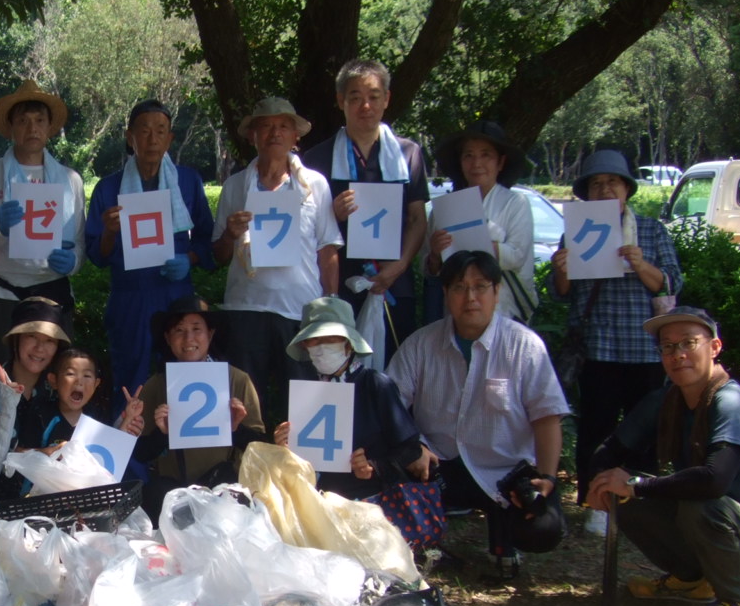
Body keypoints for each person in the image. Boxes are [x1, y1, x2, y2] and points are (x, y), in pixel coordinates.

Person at [588, 308, 740, 606]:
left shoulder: (731, 401)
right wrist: (601, 480)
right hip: (717, 528)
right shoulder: (666, 400)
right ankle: (691, 580)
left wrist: (636, 484)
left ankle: (738, 602)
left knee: (699, 502)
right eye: (668, 346)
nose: (678, 354)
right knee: (623, 492)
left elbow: (714, 480)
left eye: (688, 343)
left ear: (714, 348)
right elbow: (609, 449)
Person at [388, 251, 568, 578]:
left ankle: (505, 535)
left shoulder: (524, 345)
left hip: (507, 468)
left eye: (480, 286)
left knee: (543, 528)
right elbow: (390, 401)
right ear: (445, 294)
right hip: (440, 461)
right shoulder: (422, 343)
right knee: (383, 465)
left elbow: (547, 417)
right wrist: (412, 446)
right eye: (459, 287)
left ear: (497, 292)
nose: (470, 297)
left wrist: (548, 478)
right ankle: (424, 541)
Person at [552, 149, 683, 527]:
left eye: (612, 182)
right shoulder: (575, 230)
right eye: (596, 183)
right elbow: (561, 292)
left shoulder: (652, 230)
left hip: (644, 346)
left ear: (626, 188)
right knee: (597, 426)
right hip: (598, 347)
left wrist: (641, 264)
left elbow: (673, 283)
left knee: (645, 429)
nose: (604, 188)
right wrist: (561, 269)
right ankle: (596, 502)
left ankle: (640, 499)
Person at [212, 97, 340, 426]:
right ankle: (246, 471)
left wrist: (331, 308)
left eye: (283, 126)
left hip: (300, 312)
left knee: (301, 408)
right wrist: (229, 233)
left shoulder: (315, 185)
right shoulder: (235, 185)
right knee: (245, 409)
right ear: (252, 134)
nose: (274, 133)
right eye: (266, 126)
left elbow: (328, 249)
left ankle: (298, 474)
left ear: (295, 135)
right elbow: (218, 255)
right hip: (246, 311)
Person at [84, 98, 216, 404]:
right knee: (132, 382)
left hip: (177, 295)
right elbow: (97, 257)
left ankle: (178, 451)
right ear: (130, 137)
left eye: (161, 131)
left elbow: (208, 241)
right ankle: (131, 452)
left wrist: (189, 259)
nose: (152, 139)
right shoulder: (108, 188)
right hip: (130, 298)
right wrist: (109, 232)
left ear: (170, 138)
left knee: (183, 380)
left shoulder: (188, 181)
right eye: (144, 131)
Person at [302, 59, 429, 355]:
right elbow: (306, 228)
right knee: (340, 369)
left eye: (373, 97)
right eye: (355, 98)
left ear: (387, 99)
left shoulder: (408, 154)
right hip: (340, 283)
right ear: (340, 101)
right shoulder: (318, 158)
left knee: (397, 369)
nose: (365, 106)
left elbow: (417, 219)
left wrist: (399, 266)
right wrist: (331, 214)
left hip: (394, 281)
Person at [0, 80, 85, 368]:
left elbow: (81, 242)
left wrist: (71, 262)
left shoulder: (70, 180)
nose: (31, 128)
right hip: (1, 291)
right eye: (22, 121)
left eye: (39, 121)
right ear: (11, 128)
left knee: (53, 378)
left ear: (49, 127)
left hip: (53, 290)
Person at [270, 296, 426, 503]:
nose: (321, 346)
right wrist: (282, 443)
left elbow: (411, 448)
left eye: (330, 338)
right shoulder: (303, 390)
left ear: (349, 344)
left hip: (369, 500)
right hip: (312, 499)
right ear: (305, 346)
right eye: (313, 339)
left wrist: (374, 466)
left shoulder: (375, 385)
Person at [131, 296, 267, 524]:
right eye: (179, 330)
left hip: (223, 488)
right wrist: (162, 435)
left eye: (197, 329)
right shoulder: (156, 384)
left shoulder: (237, 379)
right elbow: (142, 453)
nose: (188, 338)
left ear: (210, 334)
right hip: (174, 492)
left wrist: (235, 429)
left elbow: (260, 447)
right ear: (167, 338)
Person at [425, 121, 537, 322]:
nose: (476, 163)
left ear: (500, 162)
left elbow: (518, 256)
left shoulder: (515, 204)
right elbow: (429, 268)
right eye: (469, 155)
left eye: (486, 155)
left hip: (504, 311)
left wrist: (480, 242)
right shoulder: (443, 209)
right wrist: (434, 254)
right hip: (456, 314)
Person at [0, 297, 68, 501]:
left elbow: (80, 448)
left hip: (47, 513)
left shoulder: (59, 390)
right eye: (32, 336)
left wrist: (125, 426)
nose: (40, 348)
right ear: (16, 340)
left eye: (49, 340)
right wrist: (8, 406)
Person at [26, 347, 145, 451]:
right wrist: (46, 454)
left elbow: (110, 453)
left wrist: (129, 418)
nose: (79, 381)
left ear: (96, 384)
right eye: (71, 374)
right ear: (54, 380)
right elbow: (18, 453)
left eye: (87, 375)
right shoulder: (41, 414)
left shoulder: (97, 417)